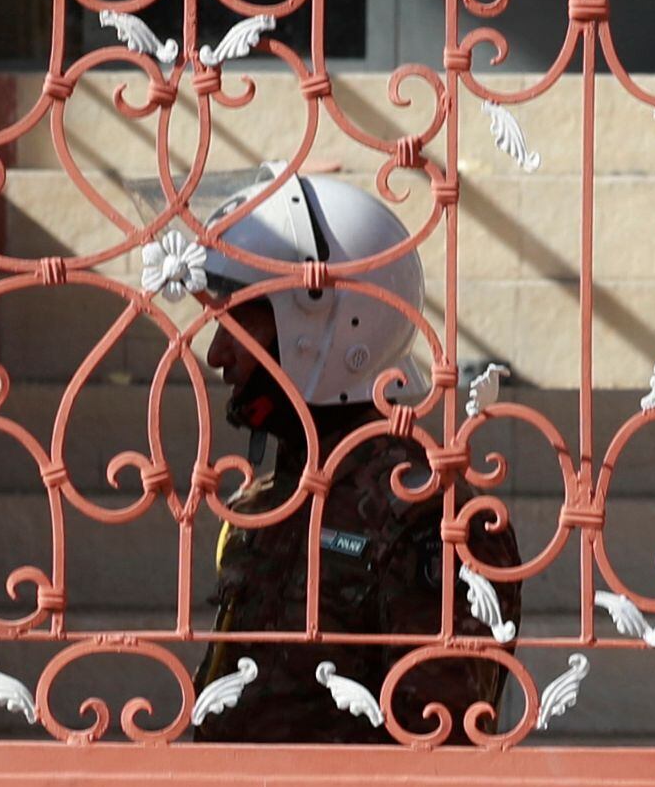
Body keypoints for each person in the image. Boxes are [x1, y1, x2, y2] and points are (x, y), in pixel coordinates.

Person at [189, 173, 520, 744]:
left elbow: (440, 746)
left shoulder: (428, 513)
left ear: (324, 329)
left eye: (241, 321)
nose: (218, 354)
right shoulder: (262, 499)